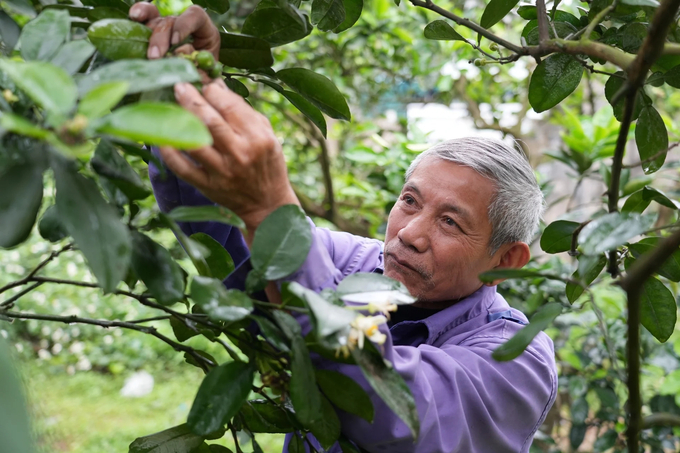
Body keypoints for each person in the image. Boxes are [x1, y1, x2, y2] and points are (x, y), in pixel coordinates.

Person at [131, 5, 558, 452]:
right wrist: (183, 86)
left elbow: (396, 412)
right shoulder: (356, 263)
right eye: (409, 201)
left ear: (506, 261)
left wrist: (272, 207)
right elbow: (224, 235)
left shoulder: (517, 359)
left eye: (450, 222)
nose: (410, 233)